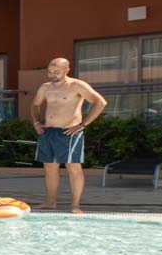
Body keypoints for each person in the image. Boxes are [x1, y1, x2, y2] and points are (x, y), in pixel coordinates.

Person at [31, 58, 108, 214]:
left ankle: (75, 205)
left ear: (66, 70)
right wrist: (36, 122)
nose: (52, 75)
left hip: (69, 132)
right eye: (50, 72)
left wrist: (83, 125)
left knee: (73, 168)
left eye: (56, 72)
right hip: (48, 132)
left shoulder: (77, 85)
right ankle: (50, 202)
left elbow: (100, 102)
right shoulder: (45, 87)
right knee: (49, 168)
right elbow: (35, 104)